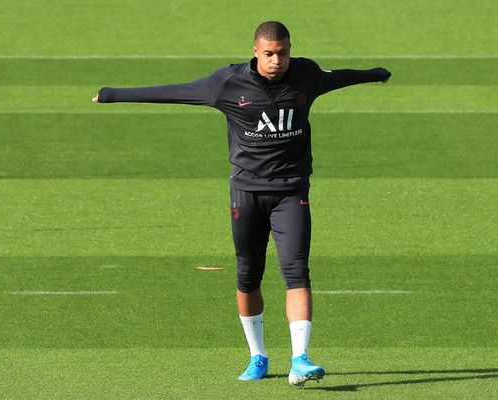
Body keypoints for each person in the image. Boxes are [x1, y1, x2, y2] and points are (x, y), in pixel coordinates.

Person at [92, 21, 391, 386]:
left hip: (291, 190)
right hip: (246, 193)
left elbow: (339, 76)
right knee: (248, 275)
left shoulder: (306, 76)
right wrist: (110, 94)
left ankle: (301, 358)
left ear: (290, 50)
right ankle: (258, 356)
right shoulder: (227, 84)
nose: (276, 61)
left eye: (282, 53)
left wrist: (375, 74)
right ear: (254, 52)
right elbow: (176, 91)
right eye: (269, 54)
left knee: (296, 270)